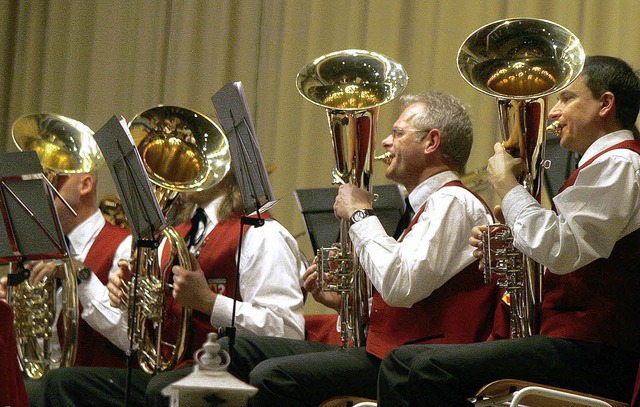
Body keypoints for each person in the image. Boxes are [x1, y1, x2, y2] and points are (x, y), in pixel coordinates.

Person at [197, 91, 505, 407]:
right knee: (237, 351)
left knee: (274, 376)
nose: (386, 142)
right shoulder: (430, 205)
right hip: (395, 352)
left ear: (431, 142)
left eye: (398, 133)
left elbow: (401, 286)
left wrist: (360, 214)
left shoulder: (454, 202)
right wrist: (346, 304)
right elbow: (413, 302)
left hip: (416, 366)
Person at [378, 55, 640, 406]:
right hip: (576, 344)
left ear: (605, 104)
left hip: (595, 352)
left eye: (566, 98)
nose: (553, 112)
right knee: (408, 363)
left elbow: (564, 249)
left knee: (421, 367)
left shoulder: (620, 163)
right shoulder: (607, 163)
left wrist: (507, 186)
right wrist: (513, 247)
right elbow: (575, 252)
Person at [38, 170, 307, 406]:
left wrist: (209, 302)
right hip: (170, 371)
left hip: (229, 379)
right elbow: (135, 341)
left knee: (160, 389)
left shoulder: (262, 234)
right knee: (61, 383)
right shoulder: (175, 236)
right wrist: (132, 304)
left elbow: (288, 334)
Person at [0, 171, 132, 405]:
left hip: (93, 392)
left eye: (53, 178)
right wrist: (10, 308)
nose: (42, 187)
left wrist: (79, 275)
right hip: (40, 384)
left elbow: (129, 337)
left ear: (85, 184)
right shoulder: (33, 250)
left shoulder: (124, 244)